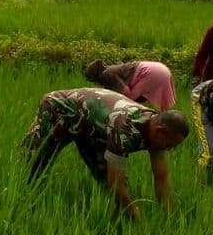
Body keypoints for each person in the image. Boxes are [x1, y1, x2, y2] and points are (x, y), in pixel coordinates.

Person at [23, 88, 188, 215]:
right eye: (170, 144)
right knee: (31, 167)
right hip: (59, 110)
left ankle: (115, 225)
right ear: (160, 131)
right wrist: (137, 219)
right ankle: (24, 206)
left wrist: (169, 217)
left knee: (105, 177)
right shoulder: (125, 129)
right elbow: (116, 184)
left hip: (92, 128)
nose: (169, 149)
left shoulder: (156, 132)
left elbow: (161, 176)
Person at [83, 59, 177, 110]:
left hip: (150, 72)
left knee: (127, 103)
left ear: (96, 77)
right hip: (163, 69)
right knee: (164, 112)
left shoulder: (106, 74)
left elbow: (126, 92)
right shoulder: (112, 69)